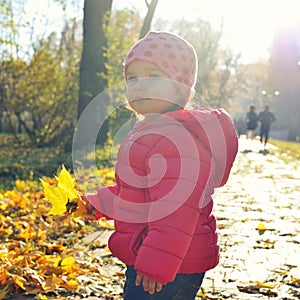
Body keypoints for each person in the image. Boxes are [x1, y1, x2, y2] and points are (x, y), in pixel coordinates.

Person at [84, 31, 238, 299]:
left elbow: (175, 210)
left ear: (180, 86)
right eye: (132, 79)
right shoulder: (149, 131)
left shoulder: (176, 139)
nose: (139, 86)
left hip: (170, 265)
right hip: (155, 256)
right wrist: (97, 203)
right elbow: (137, 194)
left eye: (153, 77)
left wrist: (156, 265)